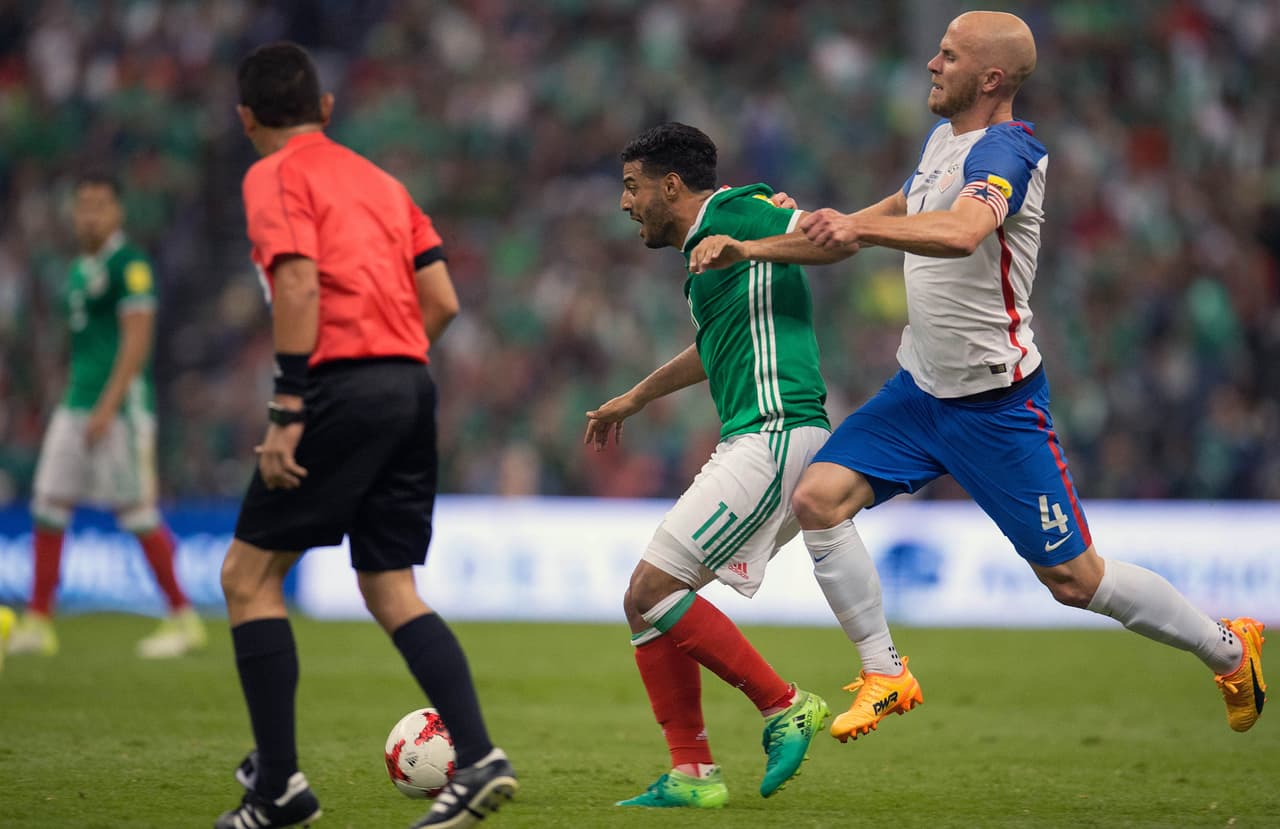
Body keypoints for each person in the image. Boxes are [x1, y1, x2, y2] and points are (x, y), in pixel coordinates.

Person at [690, 10, 1265, 736]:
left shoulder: (1010, 152)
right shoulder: (941, 142)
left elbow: (963, 231)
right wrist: (765, 245)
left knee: (1074, 581)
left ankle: (1226, 648)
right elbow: (866, 227)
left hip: (996, 407)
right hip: (919, 392)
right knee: (818, 499)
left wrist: (856, 228)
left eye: (949, 54)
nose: (932, 63)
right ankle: (886, 672)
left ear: (991, 78)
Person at [216, 42, 516, 829]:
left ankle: (278, 785)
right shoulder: (383, 183)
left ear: (247, 119)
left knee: (247, 577)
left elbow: (296, 279)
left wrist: (288, 408)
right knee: (389, 586)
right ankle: (479, 757)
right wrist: (392, 371)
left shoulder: (273, 175)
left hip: (337, 385)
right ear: (326, 109)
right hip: (412, 381)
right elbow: (442, 298)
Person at [586, 122, 913, 810]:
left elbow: (836, 237)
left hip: (778, 434)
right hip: (754, 436)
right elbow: (716, 346)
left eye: (631, 186)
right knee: (645, 607)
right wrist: (637, 396)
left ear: (669, 186)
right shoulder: (706, 254)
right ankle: (692, 773)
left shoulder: (737, 212)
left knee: (652, 592)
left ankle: (784, 703)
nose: (625, 203)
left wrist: (759, 233)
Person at [6, 173, 206, 661]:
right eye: (83, 206)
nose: (89, 215)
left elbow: (138, 340)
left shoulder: (130, 265)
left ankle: (183, 617)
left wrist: (107, 406)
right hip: (74, 403)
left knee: (137, 512)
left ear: (118, 212)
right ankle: (38, 621)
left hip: (119, 409)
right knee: (48, 507)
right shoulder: (78, 268)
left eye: (99, 206)